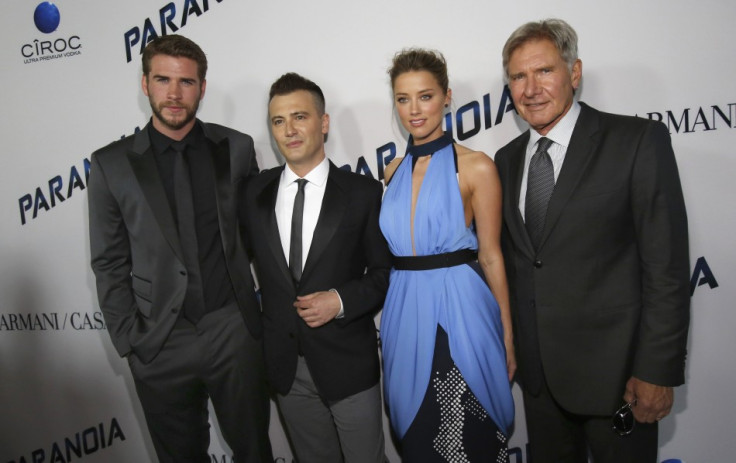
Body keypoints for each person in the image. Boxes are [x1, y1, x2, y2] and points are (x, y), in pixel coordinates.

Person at [494, 18, 690, 463]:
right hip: (540, 384)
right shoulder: (504, 162)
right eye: (518, 77)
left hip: (619, 382)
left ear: (574, 73)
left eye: (544, 71)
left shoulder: (636, 141)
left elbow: (667, 269)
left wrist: (656, 371)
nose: (531, 88)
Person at [87, 35, 272, 462]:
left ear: (202, 88)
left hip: (232, 329)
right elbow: (109, 261)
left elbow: (259, 236)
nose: (174, 94)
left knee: (255, 451)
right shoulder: (111, 164)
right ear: (144, 83)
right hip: (158, 342)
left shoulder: (237, 148)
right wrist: (132, 342)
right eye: (163, 80)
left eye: (186, 82)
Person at [242, 72, 391, 463]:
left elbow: (383, 274)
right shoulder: (253, 193)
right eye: (278, 121)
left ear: (323, 123)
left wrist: (340, 300)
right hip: (286, 369)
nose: (289, 130)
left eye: (300, 117)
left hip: (348, 365)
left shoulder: (362, 193)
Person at [379, 48, 515, 462]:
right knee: (419, 437)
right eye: (403, 99)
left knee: (467, 437)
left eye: (425, 96)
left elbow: (491, 255)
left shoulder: (476, 167)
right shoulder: (392, 170)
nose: (414, 109)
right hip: (402, 312)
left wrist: (507, 334)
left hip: (461, 311)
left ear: (447, 96)